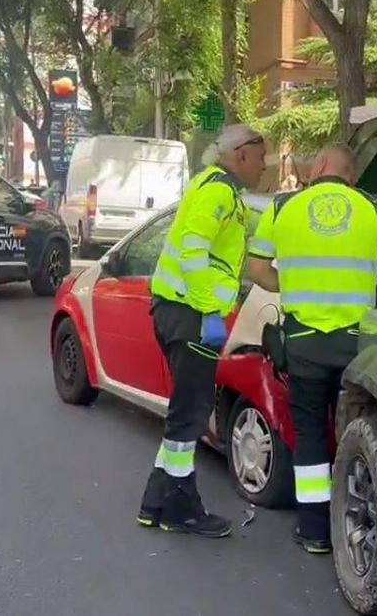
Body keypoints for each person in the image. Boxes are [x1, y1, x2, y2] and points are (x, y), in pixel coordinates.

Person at [246, 145, 377, 554]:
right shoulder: (372, 207)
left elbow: (256, 268)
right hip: (357, 343)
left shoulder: (283, 206)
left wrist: (293, 287)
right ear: (350, 176)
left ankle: (314, 531)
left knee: (309, 433)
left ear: (318, 167)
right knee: (357, 432)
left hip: (304, 339)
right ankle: (355, 520)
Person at [137, 124, 267, 538]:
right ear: (242, 154)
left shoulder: (212, 186)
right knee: (189, 415)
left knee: (185, 411)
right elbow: (194, 250)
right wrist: (211, 312)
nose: (264, 166)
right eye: (262, 157)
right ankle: (181, 508)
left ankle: (156, 502)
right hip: (190, 312)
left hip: (178, 309)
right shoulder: (218, 192)